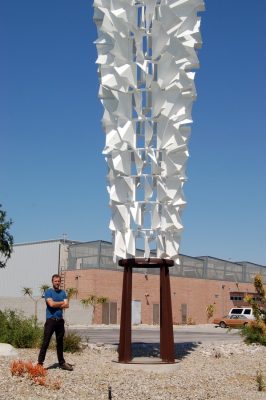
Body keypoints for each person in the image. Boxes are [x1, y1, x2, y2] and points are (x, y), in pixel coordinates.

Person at [37, 274, 73, 371]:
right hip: (50, 321)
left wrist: (58, 304)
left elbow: (67, 305)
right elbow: (51, 304)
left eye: (58, 281)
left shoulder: (63, 293)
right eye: (55, 281)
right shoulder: (48, 292)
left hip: (60, 321)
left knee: (60, 343)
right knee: (46, 342)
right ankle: (40, 364)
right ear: (52, 282)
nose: (57, 283)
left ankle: (61, 363)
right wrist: (62, 303)